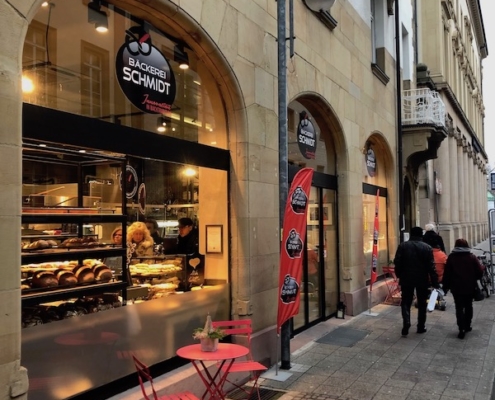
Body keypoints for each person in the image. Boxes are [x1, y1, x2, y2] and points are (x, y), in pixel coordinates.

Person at [394, 226, 439, 336]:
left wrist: (399, 275)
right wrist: (435, 282)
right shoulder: (427, 247)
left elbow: (397, 262)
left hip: (406, 277)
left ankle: (407, 322)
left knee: (406, 301)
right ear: (421, 235)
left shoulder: (403, 246)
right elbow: (431, 267)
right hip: (421, 278)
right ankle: (420, 326)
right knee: (422, 303)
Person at [442, 238, 484, 339]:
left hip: (456, 287)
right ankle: (467, 325)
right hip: (469, 286)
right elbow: (479, 272)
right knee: (469, 306)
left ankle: (461, 328)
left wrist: (445, 286)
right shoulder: (471, 257)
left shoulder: (451, 257)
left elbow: (447, 273)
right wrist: (474, 278)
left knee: (459, 307)